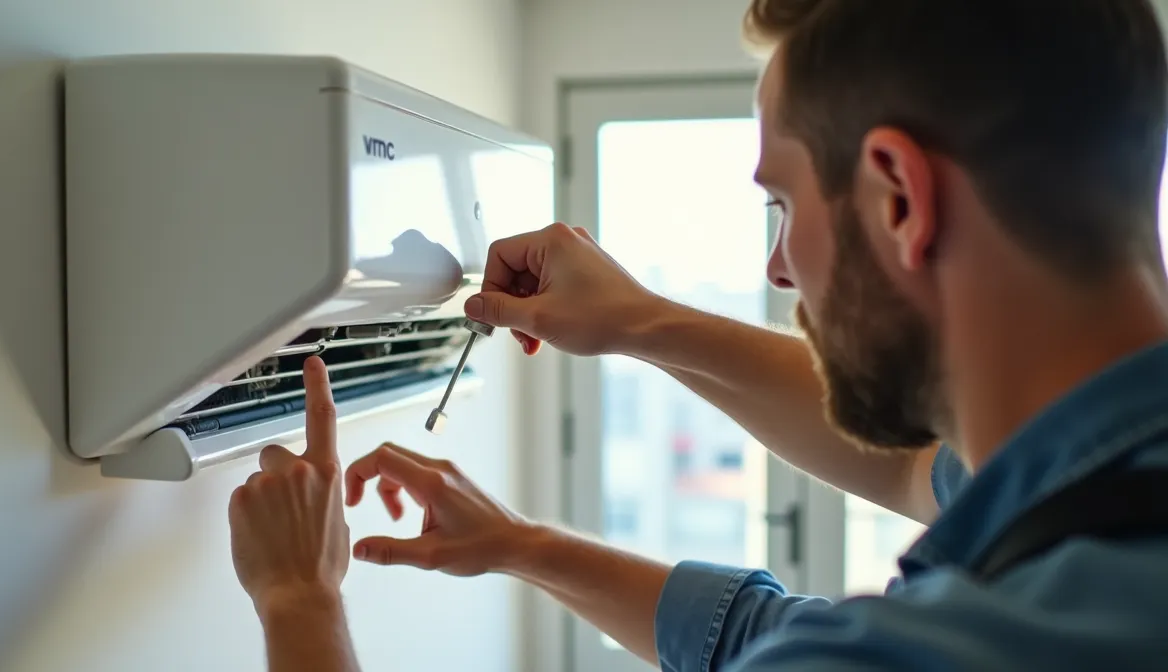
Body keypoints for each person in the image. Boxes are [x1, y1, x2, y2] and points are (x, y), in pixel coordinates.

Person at [226, 0, 1168, 669]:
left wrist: (299, 602)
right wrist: (527, 539)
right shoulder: (1105, 487)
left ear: (898, 199)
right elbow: (909, 469)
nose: (779, 269)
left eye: (782, 204)